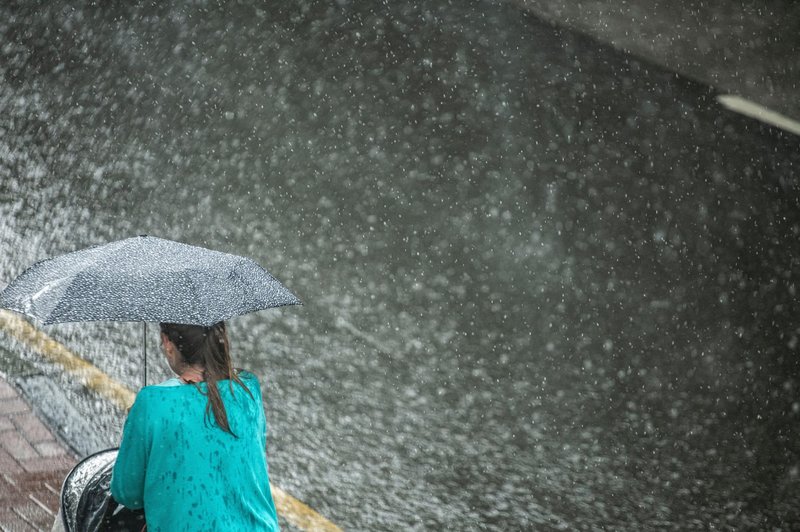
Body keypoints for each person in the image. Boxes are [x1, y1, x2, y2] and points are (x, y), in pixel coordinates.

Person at [110, 321, 280, 531]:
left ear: (167, 342)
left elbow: (127, 493)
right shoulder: (248, 389)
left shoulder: (152, 403)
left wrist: (137, 422)